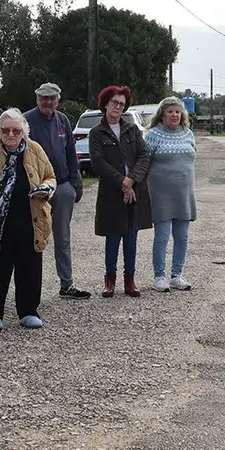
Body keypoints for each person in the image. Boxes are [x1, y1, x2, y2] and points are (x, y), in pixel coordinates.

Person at [0, 109, 57, 330]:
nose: (10, 134)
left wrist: (46, 188)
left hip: (30, 217)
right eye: (5, 130)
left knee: (30, 266)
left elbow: (50, 175)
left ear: (24, 132)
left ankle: (28, 310)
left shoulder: (35, 149)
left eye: (16, 130)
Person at [23, 82, 90, 299]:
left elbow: (71, 153)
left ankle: (67, 284)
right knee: (33, 239)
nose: (47, 101)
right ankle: (30, 292)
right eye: (43, 98)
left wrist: (72, 182)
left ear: (57, 100)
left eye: (52, 98)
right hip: (36, 188)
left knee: (63, 239)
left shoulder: (62, 120)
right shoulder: (26, 120)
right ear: (37, 99)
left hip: (62, 186)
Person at [88, 85, 153, 297]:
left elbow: (144, 156)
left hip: (134, 190)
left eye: (122, 104)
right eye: (114, 102)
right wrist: (122, 183)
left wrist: (132, 180)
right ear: (106, 104)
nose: (118, 106)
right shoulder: (97, 133)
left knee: (131, 237)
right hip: (112, 192)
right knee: (113, 237)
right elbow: (98, 162)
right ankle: (110, 281)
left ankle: (130, 280)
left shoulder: (132, 129)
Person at [145, 97, 198, 292]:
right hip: (161, 196)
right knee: (162, 235)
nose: (174, 115)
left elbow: (192, 159)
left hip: (184, 194)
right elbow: (144, 162)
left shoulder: (188, 134)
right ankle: (159, 276)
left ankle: (177, 275)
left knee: (182, 236)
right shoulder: (152, 135)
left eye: (177, 112)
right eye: (170, 111)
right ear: (162, 114)